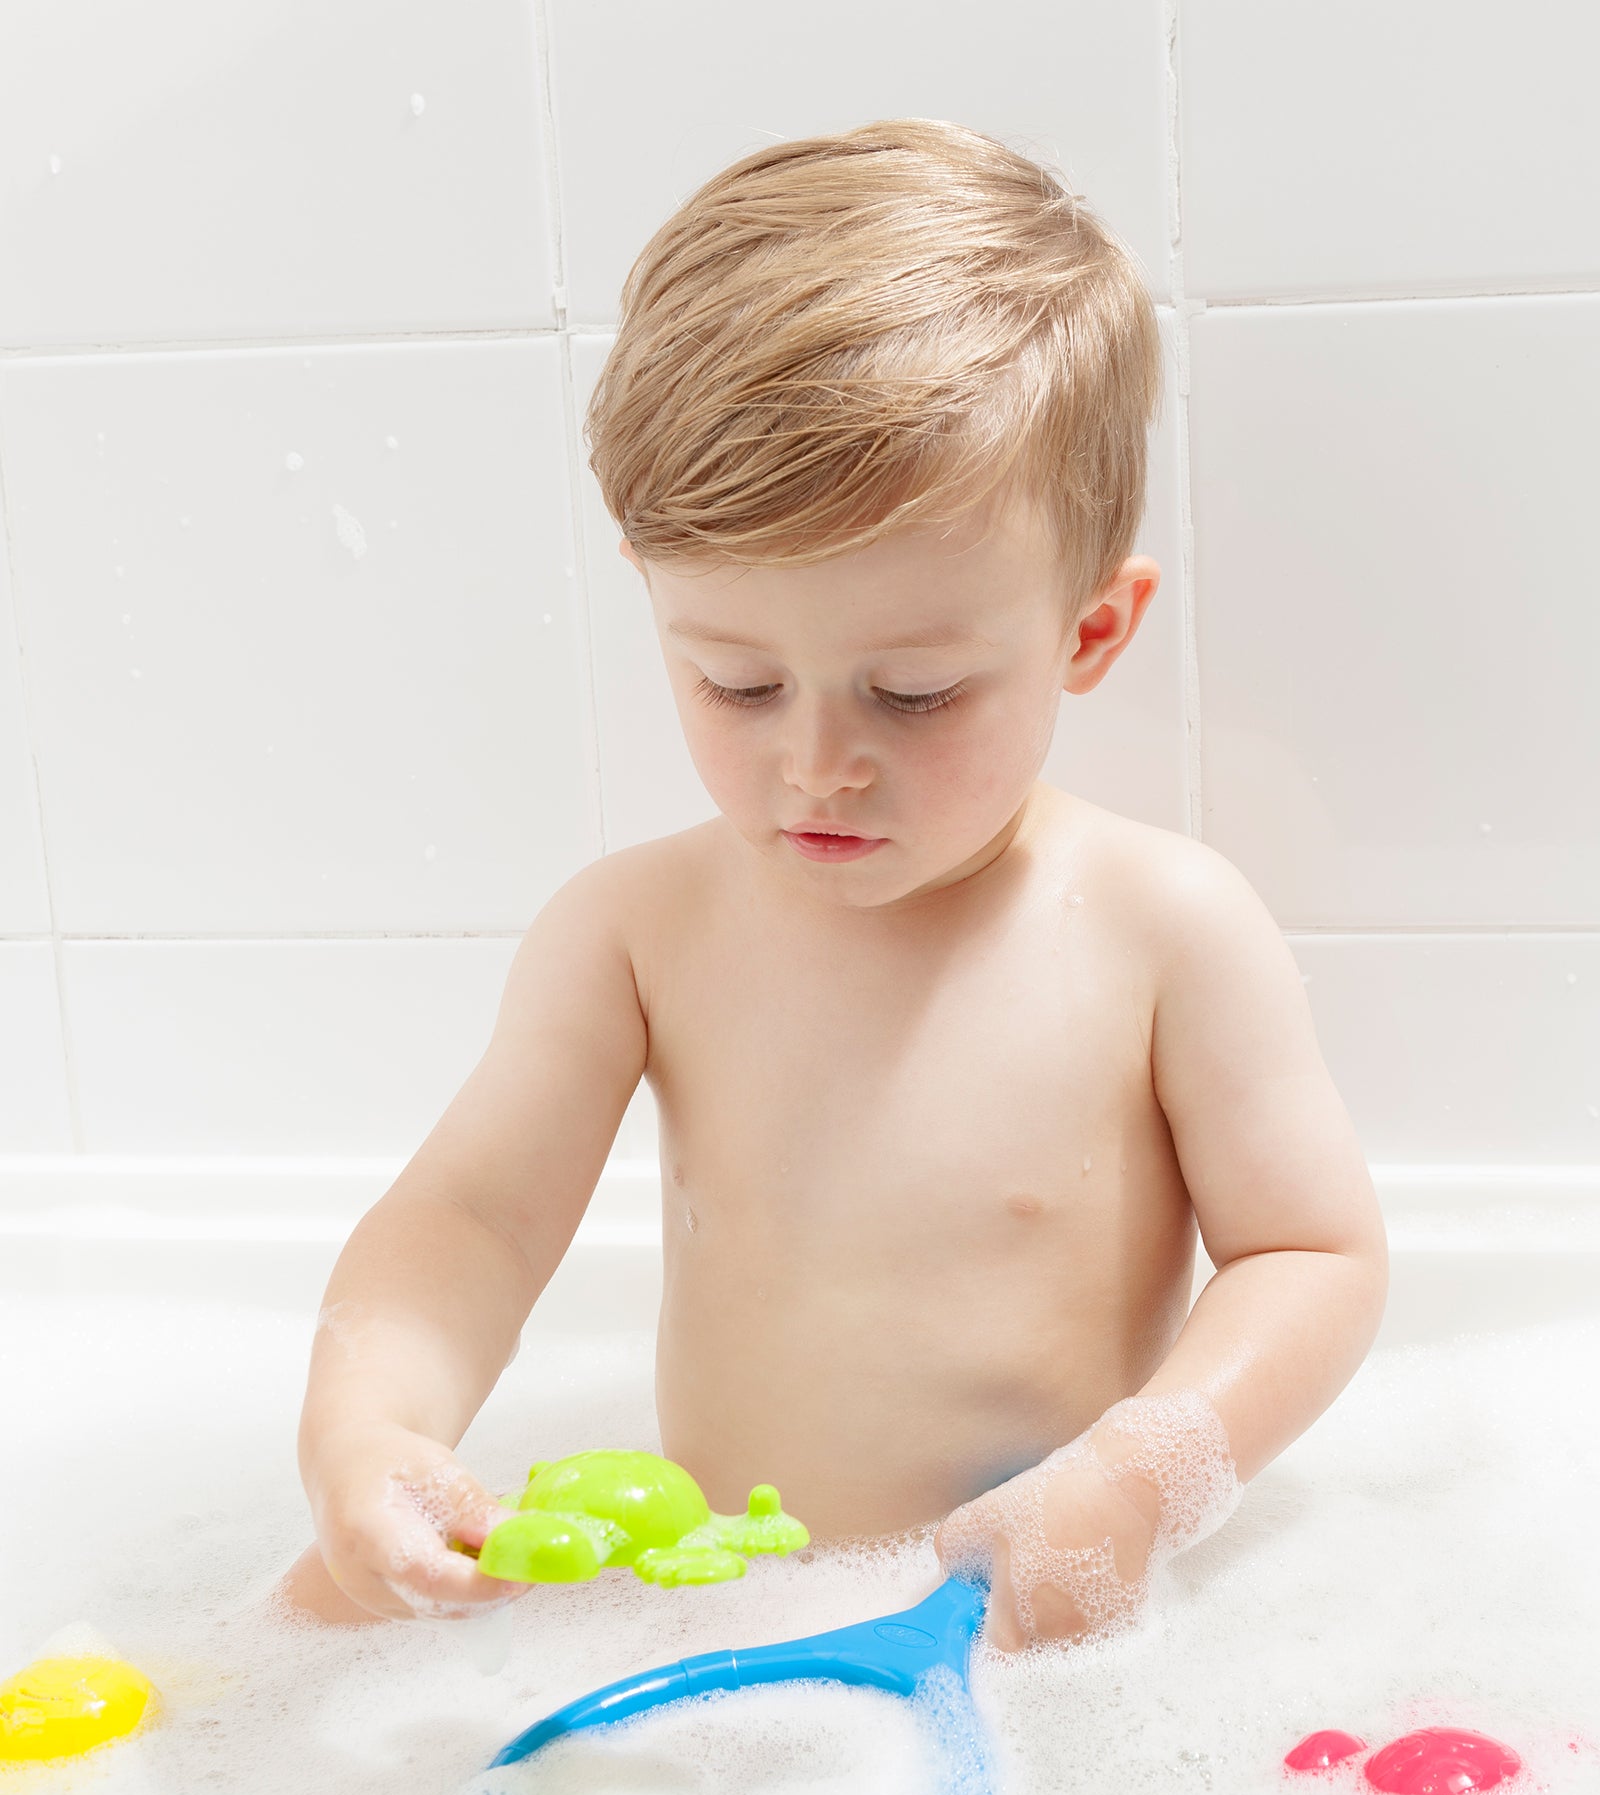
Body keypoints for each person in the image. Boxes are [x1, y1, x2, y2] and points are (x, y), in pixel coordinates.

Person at [282, 119, 1388, 1650]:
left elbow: (1312, 1254)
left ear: (1087, 632)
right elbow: (467, 1222)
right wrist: (365, 1430)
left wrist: (1142, 1477)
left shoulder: (1161, 933)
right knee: (298, 1643)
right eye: (736, 682)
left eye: (916, 693)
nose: (818, 765)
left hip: (1020, 1622)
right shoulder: (635, 935)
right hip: (721, 1596)